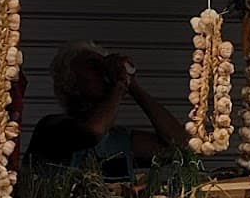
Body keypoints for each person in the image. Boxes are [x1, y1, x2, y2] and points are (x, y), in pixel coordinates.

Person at [25, 42, 188, 181]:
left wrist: (133, 86)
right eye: (93, 66)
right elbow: (93, 131)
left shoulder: (120, 140)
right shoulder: (52, 129)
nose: (103, 71)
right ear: (70, 82)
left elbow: (180, 145)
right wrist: (120, 84)